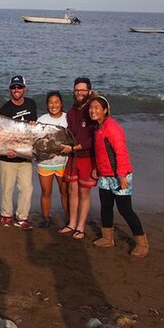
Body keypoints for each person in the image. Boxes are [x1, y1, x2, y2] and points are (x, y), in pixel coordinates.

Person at [89, 96, 148, 257]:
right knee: (106, 207)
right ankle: (107, 238)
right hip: (105, 176)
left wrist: (122, 176)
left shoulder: (112, 128)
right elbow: (101, 152)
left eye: (97, 108)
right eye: (91, 108)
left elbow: (121, 153)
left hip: (120, 175)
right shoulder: (98, 127)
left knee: (125, 209)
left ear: (105, 110)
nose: (93, 111)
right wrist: (96, 168)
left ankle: (142, 243)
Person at [0, 75, 38, 230]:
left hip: (25, 156)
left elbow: (32, 130)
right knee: (7, 188)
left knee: (27, 188)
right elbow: (0, 134)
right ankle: (6, 215)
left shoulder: (31, 104)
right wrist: (6, 151)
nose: (16, 90)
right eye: (13, 87)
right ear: (10, 90)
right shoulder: (5, 109)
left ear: (24, 89)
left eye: (19, 87)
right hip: (7, 156)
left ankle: (22, 217)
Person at [59, 77, 97, 240]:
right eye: (77, 90)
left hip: (87, 157)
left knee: (84, 192)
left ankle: (81, 226)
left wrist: (75, 148)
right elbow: (70, 135)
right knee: (71, 190)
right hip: (73, 156)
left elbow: (94, 138)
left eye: (82, 90)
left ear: (89, 91)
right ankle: (72, 223)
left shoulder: (93, 109)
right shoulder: (71, 112)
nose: (79, 93)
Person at [36, 91, 69, 228]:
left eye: (56, 102)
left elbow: (72, 140)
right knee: (46, 192)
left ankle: (69, 218)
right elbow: (36, 142)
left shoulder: (68, 118)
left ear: (61, 104)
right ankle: (45, 218)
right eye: (50, 102)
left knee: (65, 192)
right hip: (45, 163)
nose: (53, 105)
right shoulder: (41, 120)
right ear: (47, 105)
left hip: (63, 163)